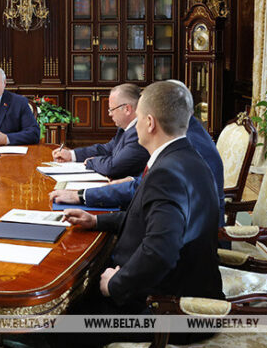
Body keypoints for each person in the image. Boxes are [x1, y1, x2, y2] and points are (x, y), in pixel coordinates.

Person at [62, 81, 223, 345]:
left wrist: (115, 284)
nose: (134, 125)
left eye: (137, 118)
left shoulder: (167, 173)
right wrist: (96, 220)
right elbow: (148, 220)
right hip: (172, 289)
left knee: (61, 323)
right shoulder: (187, 157)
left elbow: (160, 252)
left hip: (166, 308)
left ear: (149, 123)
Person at [51, 115, 225, 221]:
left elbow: (145, 189)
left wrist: (81, 196)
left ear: (151, 120)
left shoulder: (183, 150)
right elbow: (153, 184)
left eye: (140, 116)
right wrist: (96, 221)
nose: (136, 125)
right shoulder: (185, 137)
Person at [52, 83, 148, 178]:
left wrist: (92, 162)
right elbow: (105, 149)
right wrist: (71, 155)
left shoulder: (139, 133)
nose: (110, 114)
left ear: (127, 109)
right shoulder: (125, 129)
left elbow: (113, 167)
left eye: (111, 109)